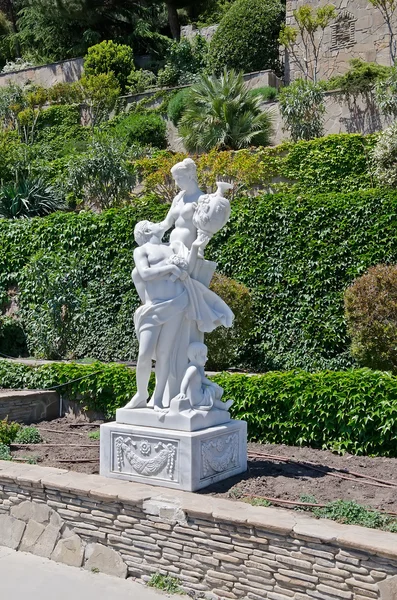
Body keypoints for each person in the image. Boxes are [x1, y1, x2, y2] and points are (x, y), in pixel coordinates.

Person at [125, 221, 233, 410]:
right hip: (153, 308)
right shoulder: (142, 250)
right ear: (147, 230)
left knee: (166, 354)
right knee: (144, 354)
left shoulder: (173, 247)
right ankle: (141, 394)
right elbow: (145, 273)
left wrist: (196, 247)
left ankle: (157, 399)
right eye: (152, 223)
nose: (159, 223)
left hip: (176, 304)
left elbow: (189, 269)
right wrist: (171, 269)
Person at [158, 158, 204, 249]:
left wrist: (199, 249)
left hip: (189, 250)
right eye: (175, 179)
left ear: (190, 176)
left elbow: (204, 230)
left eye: (179, 178)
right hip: (172, 246)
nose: (176, 183)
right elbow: (166, 223)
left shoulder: (201, 199)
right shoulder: (178, 199)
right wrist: (149, 228)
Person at [178, 342, 233, 412]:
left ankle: (224, 406)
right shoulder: (192, 369)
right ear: (195, 356)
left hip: (197, 397)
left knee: (212, 390)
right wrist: (182, 392)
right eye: (203, 356)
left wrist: (211, 383)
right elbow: (186, 379)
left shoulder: (194, 368)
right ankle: (224, 406)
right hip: (197, 400)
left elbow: (202, 379)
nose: (206, 359)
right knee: (211, 391)